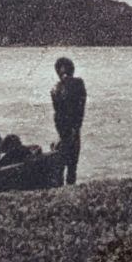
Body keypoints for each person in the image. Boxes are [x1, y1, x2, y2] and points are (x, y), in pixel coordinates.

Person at [50, 56, 87, 185]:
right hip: (73, 127)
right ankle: (69, 185)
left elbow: (57, 112)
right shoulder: (78, 83)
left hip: (62, 127)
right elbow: (81, 106)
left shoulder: (55, 88)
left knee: (61, 163)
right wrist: (76, 126)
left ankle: (59, 187)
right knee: (72, 165)